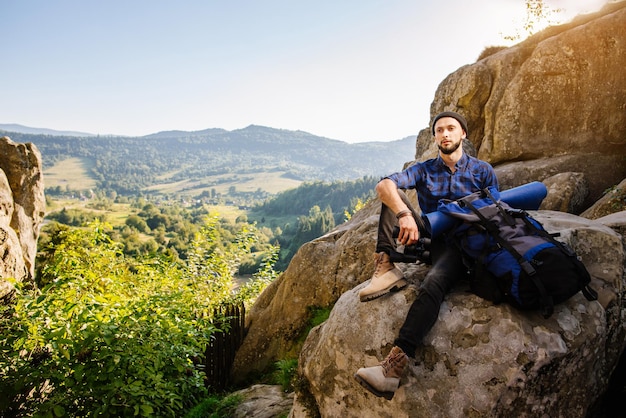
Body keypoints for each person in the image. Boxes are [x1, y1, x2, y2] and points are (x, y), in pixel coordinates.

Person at [354, 111, 499, 400]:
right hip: (429, 237)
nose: (445, 134)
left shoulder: (482, 170)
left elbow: (495, 214)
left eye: (451, 129)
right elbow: (385, 185)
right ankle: (386, 268)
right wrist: (406, 214)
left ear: (463, 135)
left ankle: (392, 368)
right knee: (391, 197)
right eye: (440, 130)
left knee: (433, 282)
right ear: (434, 137)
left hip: (464, 245)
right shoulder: (424, 170)